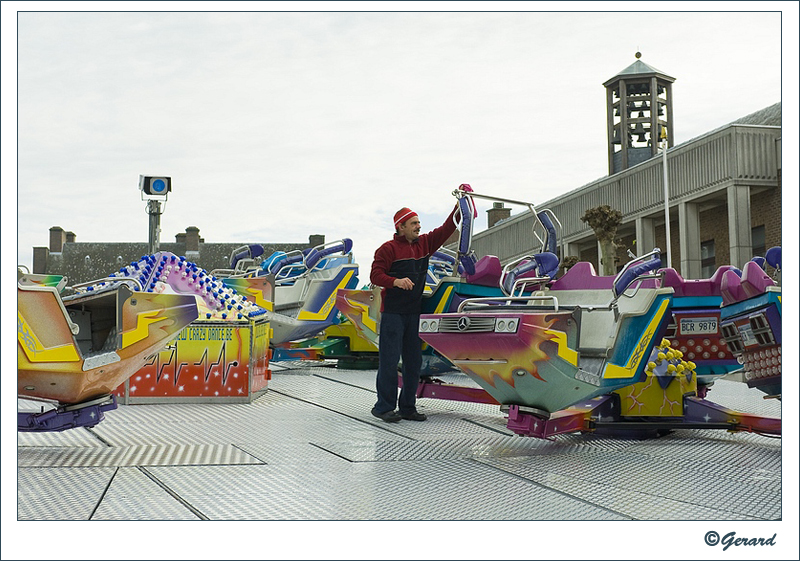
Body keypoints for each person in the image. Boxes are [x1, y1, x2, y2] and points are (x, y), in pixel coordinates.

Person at [369, 187, 470, 422]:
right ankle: (383, 407)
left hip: (414, 313)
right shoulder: (387, 249)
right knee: (389, 362)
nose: (418, 226)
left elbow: (447, 229)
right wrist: (395, 281)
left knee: (414, 363)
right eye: (413, 223)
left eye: (419, 222)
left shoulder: (425, 244)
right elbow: (375, 276)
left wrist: (461, 204)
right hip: (393, 314)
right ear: (401, 227)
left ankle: (407, 407)